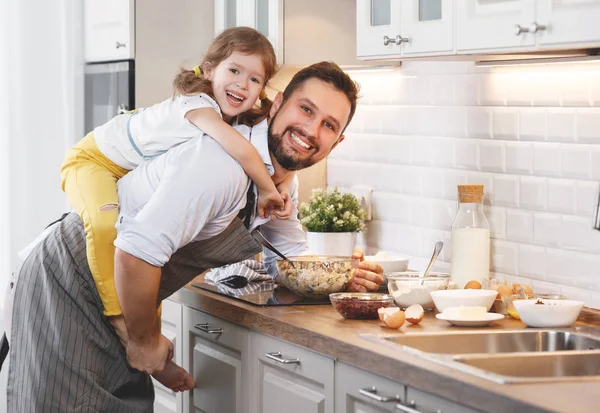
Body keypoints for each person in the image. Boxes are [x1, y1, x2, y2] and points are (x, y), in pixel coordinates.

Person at [4, 61, 384, 413]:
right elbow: (135, 254)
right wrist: (146, 344)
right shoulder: (221, 166)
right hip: (71, 283)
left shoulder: (280, 183)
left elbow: (291, 259)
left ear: (338, 142)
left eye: (329, 125)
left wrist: (344, 278)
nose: (311, 131)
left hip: (122, 297)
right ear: (278, 104)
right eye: (306, 109)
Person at [60, 26, 294, 319]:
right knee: (105, 226)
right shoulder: (199, 104)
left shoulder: (228, 115)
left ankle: (138, 327)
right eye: (234, 70)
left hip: (127, 167)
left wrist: (284, 181)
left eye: (254, 79)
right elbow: (244, 150)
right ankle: (115, 315)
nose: (242, 84)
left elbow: (265, 152)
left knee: (147, 273)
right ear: (209, 70)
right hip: (92, 159)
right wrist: (269, 190)